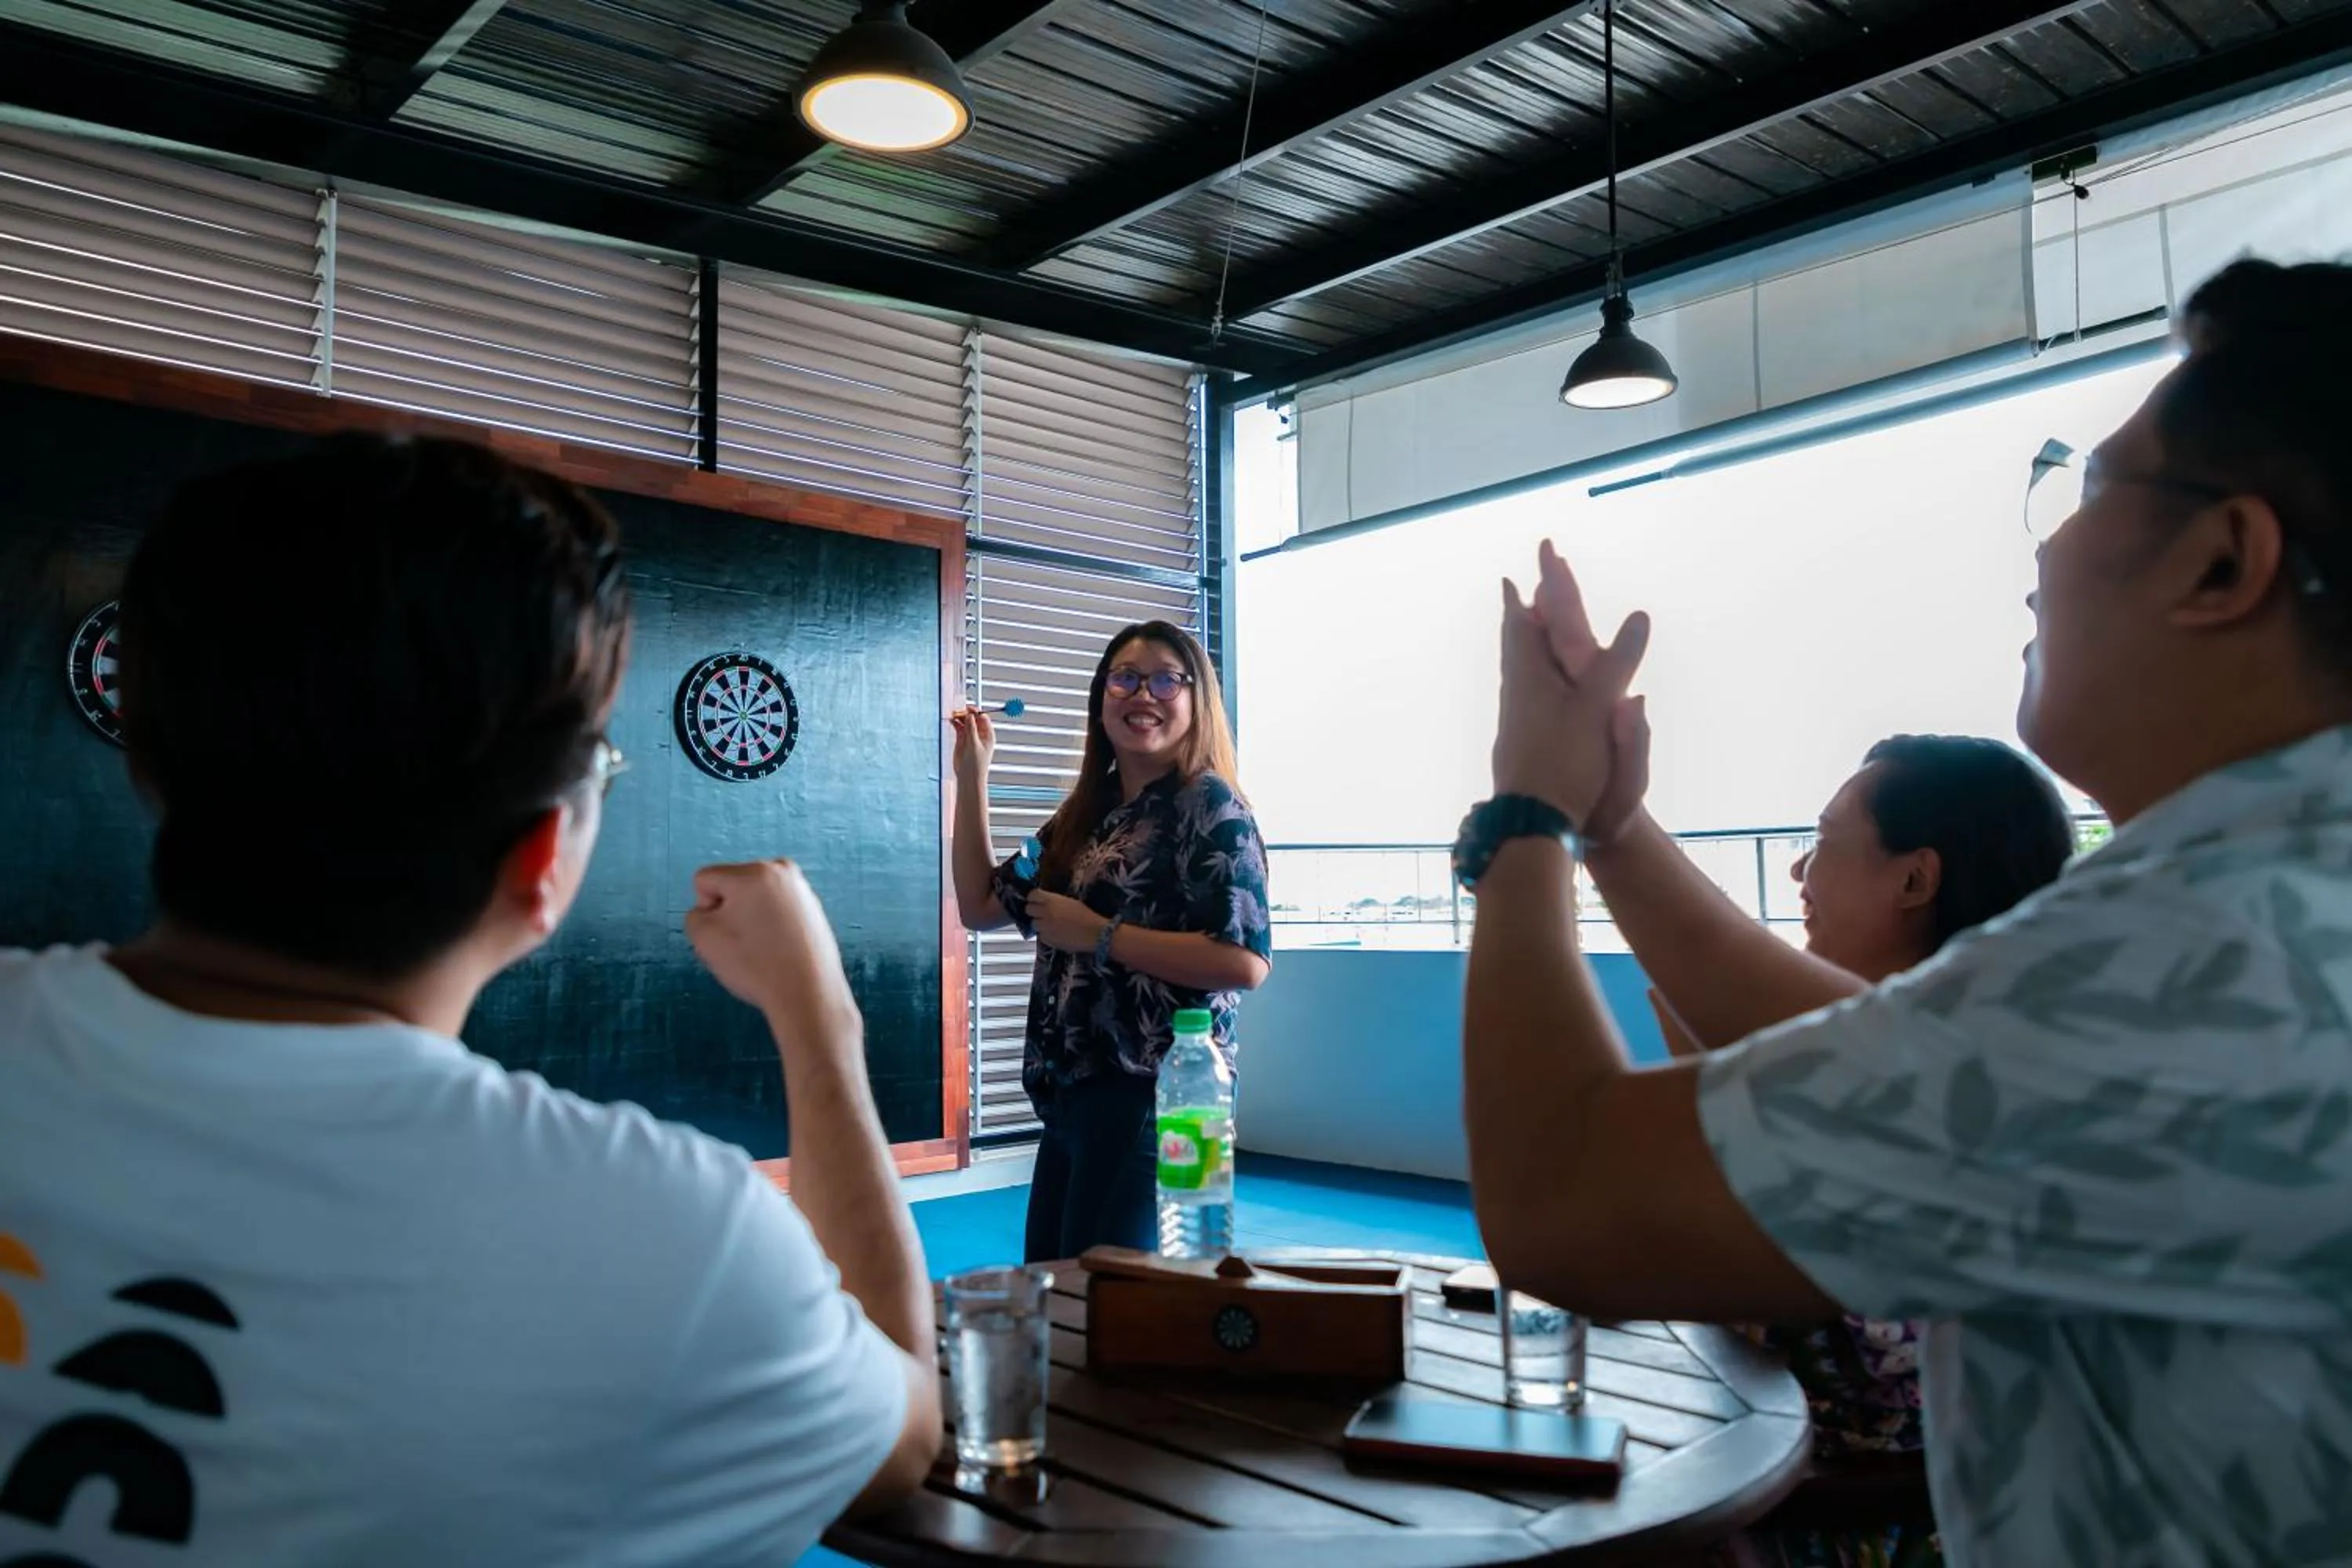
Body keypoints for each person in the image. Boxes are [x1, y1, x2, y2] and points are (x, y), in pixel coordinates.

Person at [1457, 256, 2352, 1566]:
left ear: (2225, 561)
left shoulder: (2201, 955)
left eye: (2091, 487)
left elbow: (1564, 1201)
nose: (2045, 545)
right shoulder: (2271, 906)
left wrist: (1523, 814)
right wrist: (1610, 825)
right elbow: (1916, 1043)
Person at [0, 436, 939, 1566]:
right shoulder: (667, 1240)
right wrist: (818, 1018)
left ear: (145, 754)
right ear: (545, 853)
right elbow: (899, 1435)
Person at [1602, 733, 2074, 1568]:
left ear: (1914, 879)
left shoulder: (1917, 1107)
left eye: (1820, 843)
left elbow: (1580, 1231)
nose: (1798, 873)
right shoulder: (2006, 1067)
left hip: (1823, 1524)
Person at [951, 622, 1271, 1261]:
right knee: (1057, 1289)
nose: (1141, 694)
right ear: (1101, 698)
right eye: (1123, 678)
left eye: (1163, 679)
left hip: (1170, 1100)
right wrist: (972, 777)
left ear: (1195, 698)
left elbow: (1243, 962)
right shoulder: (1082, 815)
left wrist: (1099, 935)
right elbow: (982, 905)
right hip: (1076, 1095)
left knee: (1120, 1305)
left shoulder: (1211, 804)